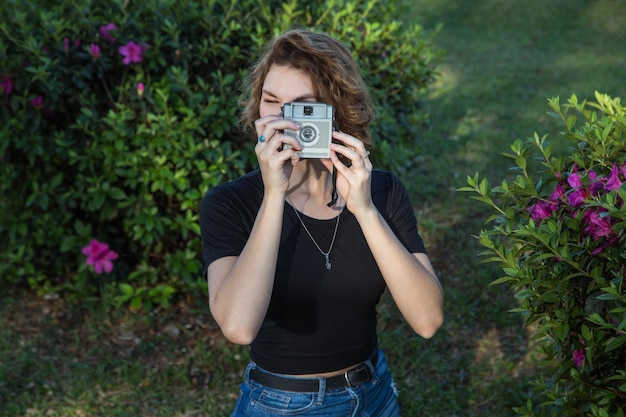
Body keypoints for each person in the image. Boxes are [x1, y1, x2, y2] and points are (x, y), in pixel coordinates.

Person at [200, 28, 444, 417]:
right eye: (271, 101)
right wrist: (274, 195)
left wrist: (364, 210)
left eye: (304, 106)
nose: (283, 119)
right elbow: (237, 327)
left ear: (336, 112)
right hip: (282, 405)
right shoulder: (230, 203)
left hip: (374, 394)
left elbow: (428, 319)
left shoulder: (381, 190)